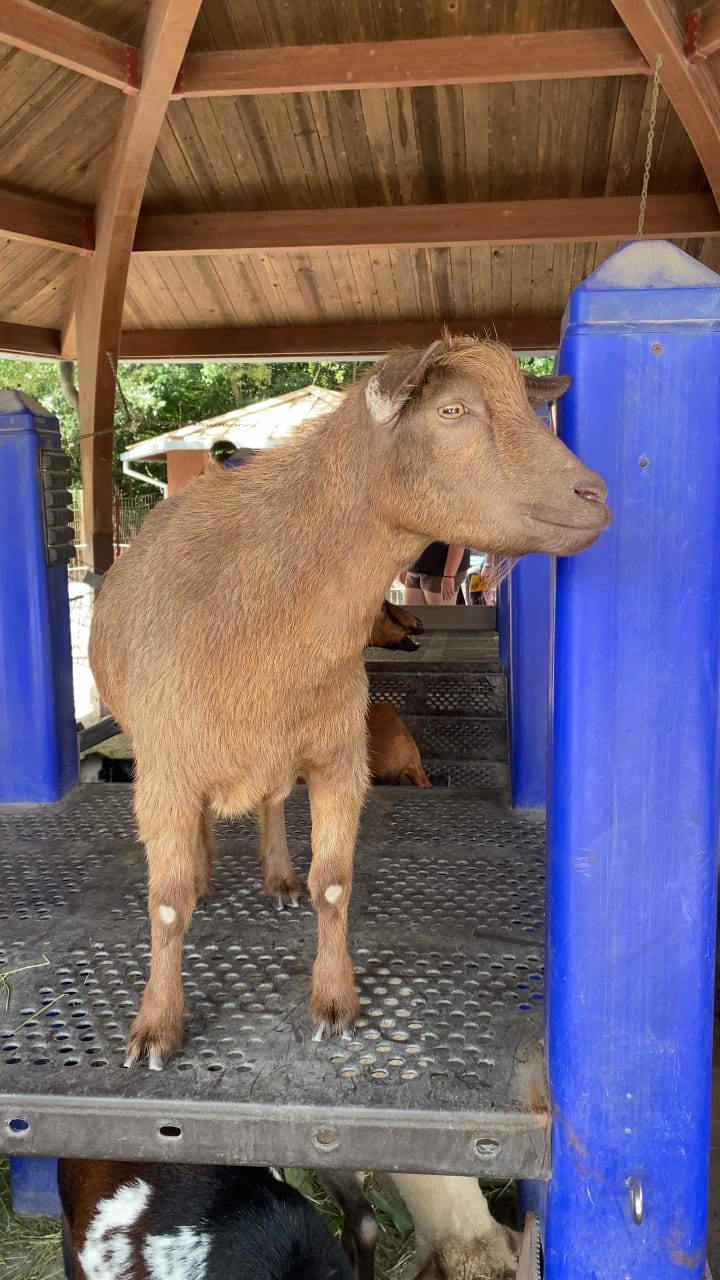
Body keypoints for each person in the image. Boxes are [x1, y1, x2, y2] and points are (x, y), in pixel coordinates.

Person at [403, 542, 470, 606]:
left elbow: (458, 540)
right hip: (414, 566)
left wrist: (449, 575)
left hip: (441, 569)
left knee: (440, 613)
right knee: (411, 612)